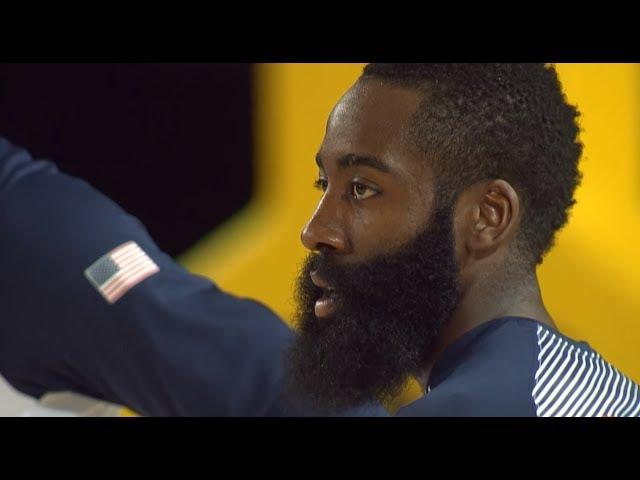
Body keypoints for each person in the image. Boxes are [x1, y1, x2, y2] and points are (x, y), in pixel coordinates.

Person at [1, 63, 638, 417]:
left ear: (487, 217)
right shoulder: (557, 384)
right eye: (322, 184)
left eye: (363, 189)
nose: (315, 230)